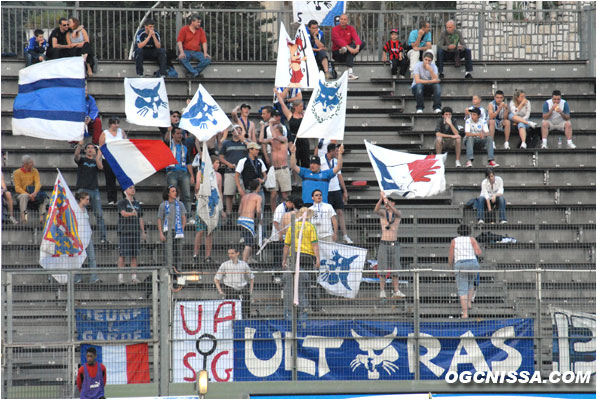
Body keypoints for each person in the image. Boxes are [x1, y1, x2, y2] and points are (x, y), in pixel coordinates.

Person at [282, 207, 320, 318]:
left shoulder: (292, 227)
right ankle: (307, 309)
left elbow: (286, 245)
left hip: (293, 256)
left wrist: (284, 259)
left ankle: (290, 314)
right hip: (307, 256)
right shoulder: (311, 227)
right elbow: (315, 244)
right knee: (306, 285)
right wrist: (317, 258)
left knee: (292, 284)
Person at [317, 143, 352, 243]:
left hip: (336, 189)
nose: (337, 153)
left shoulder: (336, 161)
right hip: (326, 190)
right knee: (328, 213)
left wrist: (344, 190)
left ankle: (345, 235)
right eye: (336, 151)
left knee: (340, 212)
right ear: (331, 151)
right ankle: (330, 234)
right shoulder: (321, 161)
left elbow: (339, 176)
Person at [193, 155, 225, 265]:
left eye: (219, 163)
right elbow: (197, 187)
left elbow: (220, 192)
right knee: (200, 230)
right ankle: (195, 254)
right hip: (203, 203)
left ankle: (208, 256)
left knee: (210, 231)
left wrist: (221, 208)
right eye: (216, 162)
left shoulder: (219, 176)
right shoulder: (201, 172)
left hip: (214, 204)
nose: (218, 165)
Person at [74, 141, 108, 244]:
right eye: (88, 147)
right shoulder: (82, 160)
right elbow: (76, 156)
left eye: (92, 148)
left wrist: (98, 156)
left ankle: (103, 238)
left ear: (94, 151)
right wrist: (80, 145)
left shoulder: (95, 162)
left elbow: (101, 167)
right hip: (83, 190)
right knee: (81, 214)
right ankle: (81, 237)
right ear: (85, 150)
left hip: (94, 190)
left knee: (99, 215)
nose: (90, 149)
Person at [374, 192, 405, 299]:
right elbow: (376, 210)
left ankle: (396, 290)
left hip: (394, 243)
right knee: (382, 268)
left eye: (390, 202)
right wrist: (381, 199)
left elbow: (397, 213)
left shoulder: (397, 214)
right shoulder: (383, 213)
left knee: (395, 269)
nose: (386, 204)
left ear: (394, 203)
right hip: (384, 242)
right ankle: (382, 290)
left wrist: (389, 203)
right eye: (386, 203)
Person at [448, 224, 482, 318]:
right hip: (473, 263)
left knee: (462, 289)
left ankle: (465, 313)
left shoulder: (454, 241)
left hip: (460, 264)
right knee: (471, 283)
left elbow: (451, 256)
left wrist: (451, 267)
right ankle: (469, 303)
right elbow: (478, 252)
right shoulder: (472, 240)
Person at [164, 128, 194, 224]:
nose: (179, 135)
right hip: (172, 172)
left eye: (181, 133)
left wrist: (192, 175)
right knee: (172, 195)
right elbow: (166, 139)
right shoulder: (169, 145)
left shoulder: (184, 147)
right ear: (173, 135)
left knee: (187, 195)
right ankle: (172, 216)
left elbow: (189, 162)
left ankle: (188, 216)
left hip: (183, 172)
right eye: (177, 133)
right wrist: (168, 130)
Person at [214, 248, 254, 319]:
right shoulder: (224, 265)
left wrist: (250, 291)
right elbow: (216, 279)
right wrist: (220, 291)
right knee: (231, 310)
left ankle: (245, 320)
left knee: (245, 309)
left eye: (232, 253)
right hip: (230, 289)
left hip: (243, 289)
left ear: (237, 253)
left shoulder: (244, 264)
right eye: (229, 253)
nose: (230, 255)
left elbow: (251, 277)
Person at [117, 185, 145, 284]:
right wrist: (132, 214)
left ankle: (134, 277)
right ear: (125, 191)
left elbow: (140, 218)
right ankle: (120, 277)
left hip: (135, 232)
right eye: (130, 188)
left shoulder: (137, 204)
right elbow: (123, 213)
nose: (133, 190)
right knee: (122, 255)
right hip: (125, 232)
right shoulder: (122, 202)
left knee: (134, 256)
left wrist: (143, 231)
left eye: (133, 188)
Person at [219, 125, 248, 217]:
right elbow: (221, 157)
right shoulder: (227, 144)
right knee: (229, 194)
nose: (238, 132)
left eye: (240, 130)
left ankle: (242, 215)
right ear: (232, 132)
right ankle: (229, 215)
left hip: (243, 173)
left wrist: (243, 140)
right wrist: (228, 164)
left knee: (243, 195)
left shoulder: (244, 143)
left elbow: (252, 149)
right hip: (230, 171)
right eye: (236, 130)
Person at [158, 185, 187, 274]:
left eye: (175, 191)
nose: (175, 193)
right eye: (173, 191)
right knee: (167, 252)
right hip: (167, 231)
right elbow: (159, 219)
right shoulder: (163, 205)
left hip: (177, 231)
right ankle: (168, 271)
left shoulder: (180, 204)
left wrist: (182, 228)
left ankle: (178, 271)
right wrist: (161, 233)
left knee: (178, 252)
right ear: (168, 193)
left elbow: (183, 217)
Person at [277, 92, 310, 168]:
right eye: (301, 106)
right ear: (295, 107)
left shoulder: (305, 115)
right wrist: (278, 94)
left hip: (304, 139)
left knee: (306, 161)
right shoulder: (290, 115)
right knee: (295, 160)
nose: (302, 108)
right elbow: (282, 104)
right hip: (294, 140)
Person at [98, 117, 127, 205]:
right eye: (114, 123)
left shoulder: (121, 131)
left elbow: (125, 142)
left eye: (118, 123)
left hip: (120, 158)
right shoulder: (105, 133)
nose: (116, 125)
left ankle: (126, 198)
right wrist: (98, 159)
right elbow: (101, 147)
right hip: (108, 159)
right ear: (110, 124)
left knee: (123, 179)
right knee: (110, 179)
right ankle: (111, 199)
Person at [13, 155, 49, 224]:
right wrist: (29, 195)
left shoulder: (35, 171)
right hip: (22, 193)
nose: (33, 164)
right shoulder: (17, 173)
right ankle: (24, 218)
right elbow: (17, 187)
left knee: (43, 196)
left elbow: (38, 183)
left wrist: (34, 193)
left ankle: (41, 218)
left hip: (33, 192)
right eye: (31, 163)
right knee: (24, 197)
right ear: (25, 164)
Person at [74, 190, 99, 284]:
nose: (88, 201)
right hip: (78, 238)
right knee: (77, 258)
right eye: (87, 199)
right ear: (81, 199)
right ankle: (77, 278)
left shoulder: (85, 210)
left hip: (87, 237)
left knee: (92, 257)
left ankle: (94, 277)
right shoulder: (75, 209)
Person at [266, 124, 291, 213]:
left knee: (284, 195)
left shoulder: (284, 139)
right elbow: (261, 140)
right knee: (273, 194)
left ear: (278, 130)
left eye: (274, 130)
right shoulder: (272, 141)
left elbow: (276, 136)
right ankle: (274, 214)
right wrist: (262, 127)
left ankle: (284, 212)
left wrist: (270, 125)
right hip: (274, 170)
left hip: (283, 169)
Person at [331, 14, 363, 80]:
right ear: (339, 20)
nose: (343, 21)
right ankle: (350, 73)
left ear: (347, 21)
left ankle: (350, 74)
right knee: (349, 50)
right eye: (341, 19)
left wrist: (357, 47)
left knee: (362, 43)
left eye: (344, 19)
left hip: (348, 51)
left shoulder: (351, 28)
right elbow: (338, 41)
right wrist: (349, 48)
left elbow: (356, 37)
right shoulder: (334, 29)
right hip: (337, 53)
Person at [270, 197, 301, 264]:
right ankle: (276, 272)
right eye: (292, 205)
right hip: (278, 236)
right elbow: (275, 222)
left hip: (284, 235)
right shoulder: (280, 208)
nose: (292, 207)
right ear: (289, 202)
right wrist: (280, 233)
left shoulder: (286, 208)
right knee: (278, 256)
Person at [237, 179, 262, 263]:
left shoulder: (244, 196)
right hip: (248, 221)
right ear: (258, 187)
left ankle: (250, 258)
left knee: (250, 240)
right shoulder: (258, 197)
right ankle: (244, 262)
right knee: (248, 243)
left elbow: (239, 211)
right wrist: (259, 218)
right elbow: (258, 210)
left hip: (240, 219)